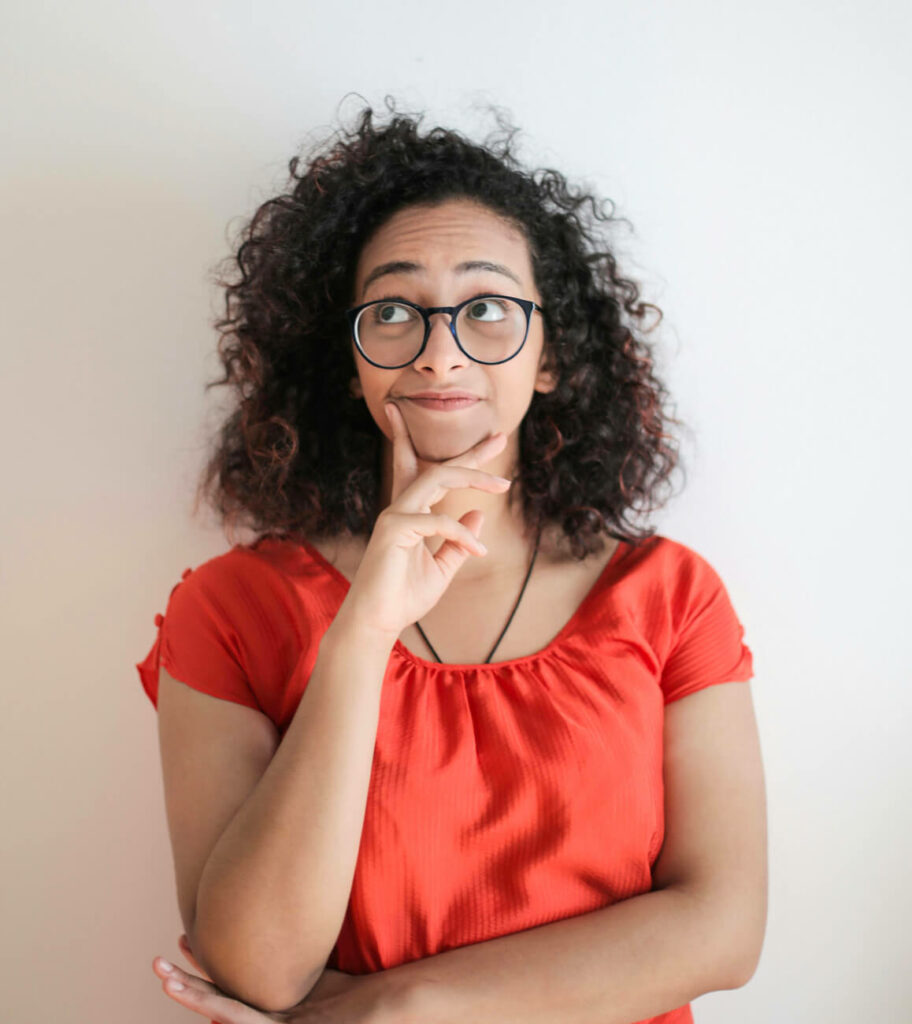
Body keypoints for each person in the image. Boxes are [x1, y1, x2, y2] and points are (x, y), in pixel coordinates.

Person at [136, 98, 767, 1024]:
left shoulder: (670, 597)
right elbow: (258, 970)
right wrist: (364, 632)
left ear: (549, 355)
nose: (440, 353)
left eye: (486, 308)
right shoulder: (231, 611)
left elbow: (723, 932)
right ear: (351, 364)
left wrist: (403, 1008)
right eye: (395, 311)